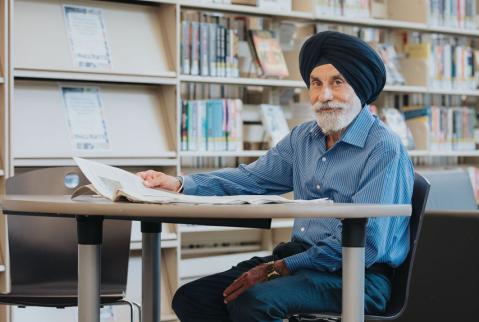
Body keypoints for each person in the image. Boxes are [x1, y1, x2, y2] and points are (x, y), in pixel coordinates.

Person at [137, 31, 414, 322]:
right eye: (316, 84)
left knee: (254, 302)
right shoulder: (304, 138)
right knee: (193, 299)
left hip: (360, 273)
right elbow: (250, 179)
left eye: (337, 82)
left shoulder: (384, 148)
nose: (325, 95)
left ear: (360, 87)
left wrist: (280, 268)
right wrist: (180, 184)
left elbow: (368, 245)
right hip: (300, 261)